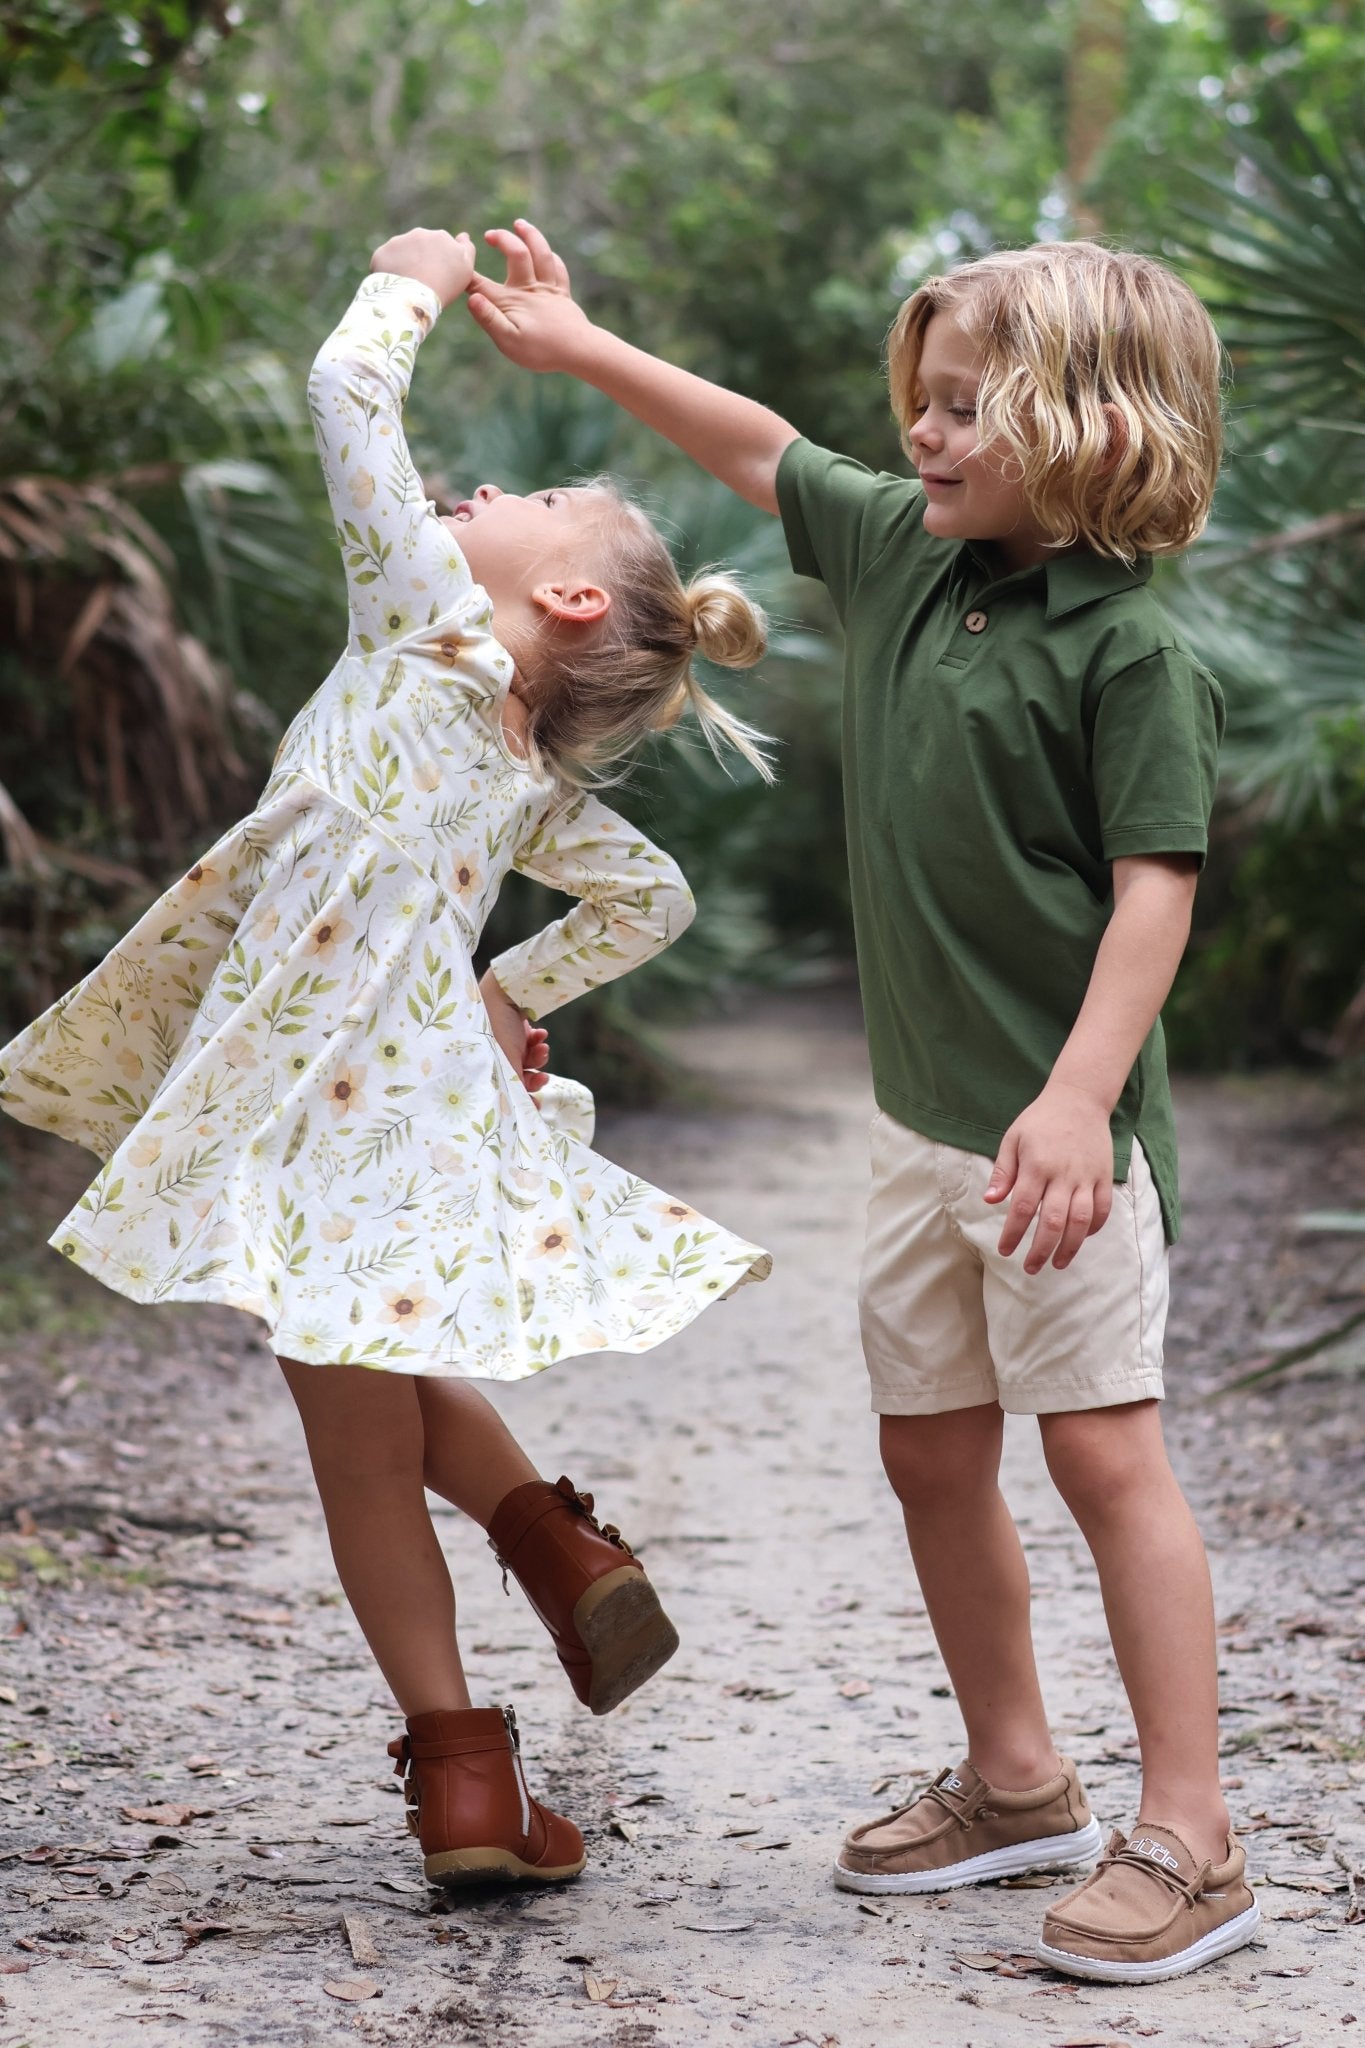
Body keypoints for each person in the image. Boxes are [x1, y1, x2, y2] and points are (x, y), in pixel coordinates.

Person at [463, 222, 1260, 1982]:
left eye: (973, 410)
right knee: (926, 1452)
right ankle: (1015, 1779)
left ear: (1098, 425)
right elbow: (756, 447)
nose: (927, 434)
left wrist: (1072, 1103)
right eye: (927, 401)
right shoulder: (911, 557)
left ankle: (1189, 1835)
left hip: (1060, 1145)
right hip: (921, 1132)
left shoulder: (1126, 652)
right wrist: (580, 344)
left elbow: (1155, 896)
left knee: (1102, 1454)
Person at [0, 226, 772, 1890]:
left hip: (300, 1110)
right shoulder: (516, 758)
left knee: (352, 1444)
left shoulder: (429, 631)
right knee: (372, 1352)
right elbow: (655, 890)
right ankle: (551, 1548)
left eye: (512, 502)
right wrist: (504, 992)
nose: (466, 498)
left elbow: (347, 388)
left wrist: (409, 279)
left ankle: (466, 1776)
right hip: (410, 1108)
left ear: (555, 596)